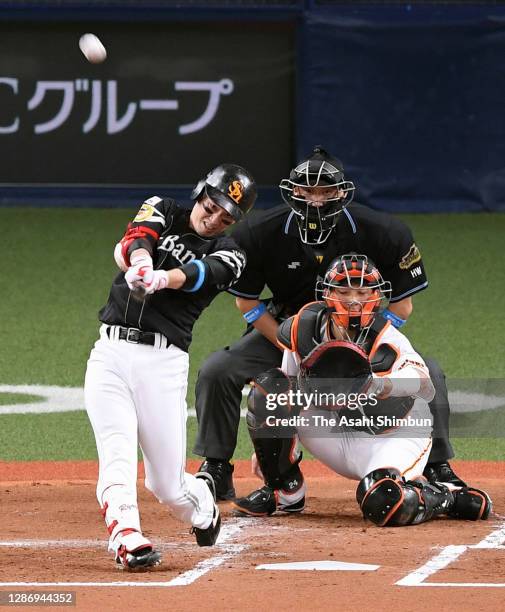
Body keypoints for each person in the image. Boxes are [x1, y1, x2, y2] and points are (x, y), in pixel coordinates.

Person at [194, 146, 463, 500]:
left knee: (429, 371)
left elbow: (403, 304)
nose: (316, 199)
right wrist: (295, 344)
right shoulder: (259, 232)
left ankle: (438, 466)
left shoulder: (384, 231)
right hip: (285, 329)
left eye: (325, 190)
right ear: (294, 190)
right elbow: (247, 303)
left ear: (342, 192)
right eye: (308, 190)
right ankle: (217, 468)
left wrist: (364, 341)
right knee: (218, 369)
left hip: (361, 329)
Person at [232, 254, 492, 526]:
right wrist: (271, 450)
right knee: (269, 391)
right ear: (327, 293)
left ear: (376, 295)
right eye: (343, 291)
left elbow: (424, 383)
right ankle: (285, 491)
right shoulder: (303, 327)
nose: (353, 300)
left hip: (392, 435)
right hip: (333, 428)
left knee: (384, 501)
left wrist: (381, 385)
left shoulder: (388, 338)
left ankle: (445, 496)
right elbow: (288, 383)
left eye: (362, 291)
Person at [84, 163, 256, 570]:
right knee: (117, 451)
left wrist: (161, 278)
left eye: (225, 217)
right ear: (202, 193)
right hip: (109, 353)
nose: (213, 218)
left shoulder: (232, 253)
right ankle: (126, 536)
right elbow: (137, 236)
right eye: (212, 205)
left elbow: (202, 274)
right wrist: (141, 261)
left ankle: (202, 510)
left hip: (163, 364)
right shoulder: (164, 207)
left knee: (167, 485)